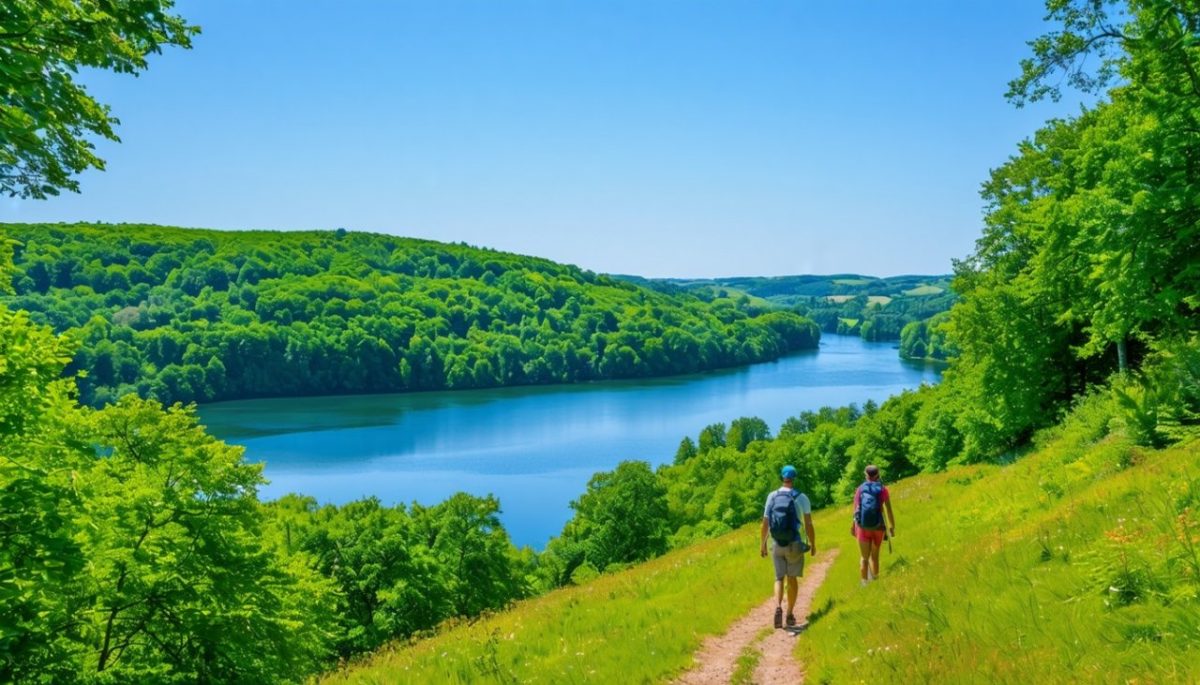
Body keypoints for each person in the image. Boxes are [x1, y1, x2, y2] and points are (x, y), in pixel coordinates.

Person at [760, 464, 816, 628]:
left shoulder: (772, 496)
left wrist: (762, 545)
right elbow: (809, 524)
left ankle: (778, 606)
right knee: (791, 579)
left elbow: (765, 524)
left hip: (776, 543)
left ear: (782, 478)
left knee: (778, 578)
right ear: (794, 478)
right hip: (794, 543)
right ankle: (790, 614)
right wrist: (813, 544)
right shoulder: (802, 498)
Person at [852, 464, 895, 586]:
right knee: (875, 556)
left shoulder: (860, 489)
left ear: (866, 475)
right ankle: (876, 581)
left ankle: (864, 584)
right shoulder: (882, 489)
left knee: (864, 558)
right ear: (878, 475)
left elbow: (855, 510)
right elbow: (889, 510)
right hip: (878, 527)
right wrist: (892, 526)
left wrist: (853, 527)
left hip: (862, 527)